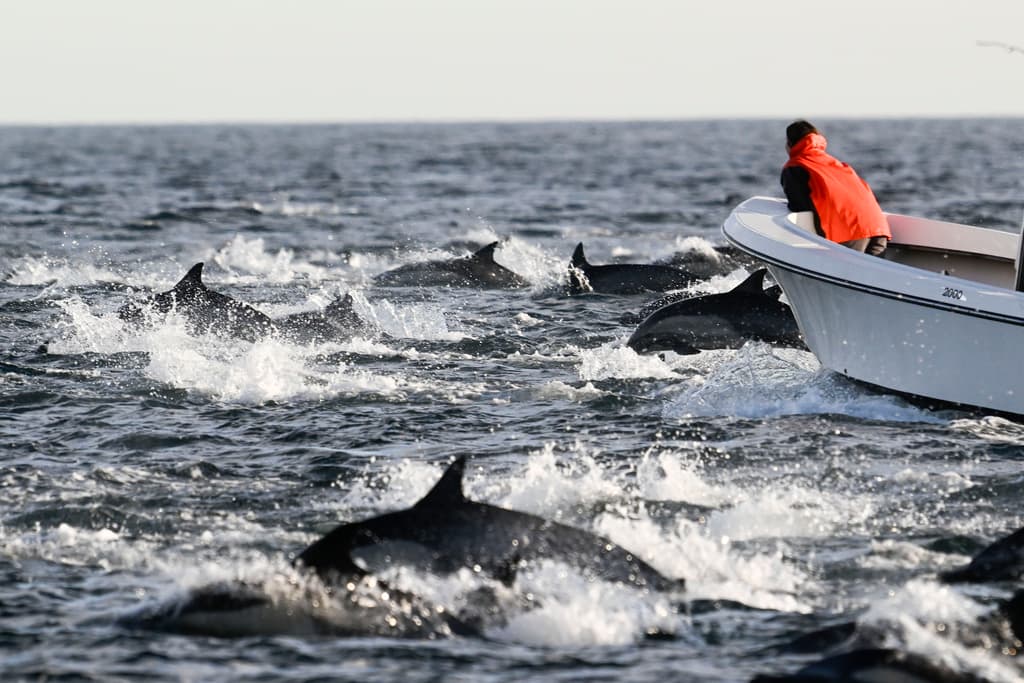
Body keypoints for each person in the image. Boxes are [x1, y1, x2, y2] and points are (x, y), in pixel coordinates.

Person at [780, 120, 890, 256]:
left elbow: (800, 207)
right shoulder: (833, 163)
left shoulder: (796, 166)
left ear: (789, 143)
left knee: (850, 275)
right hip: (877, 226)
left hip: (849, 231)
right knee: (872, 276)